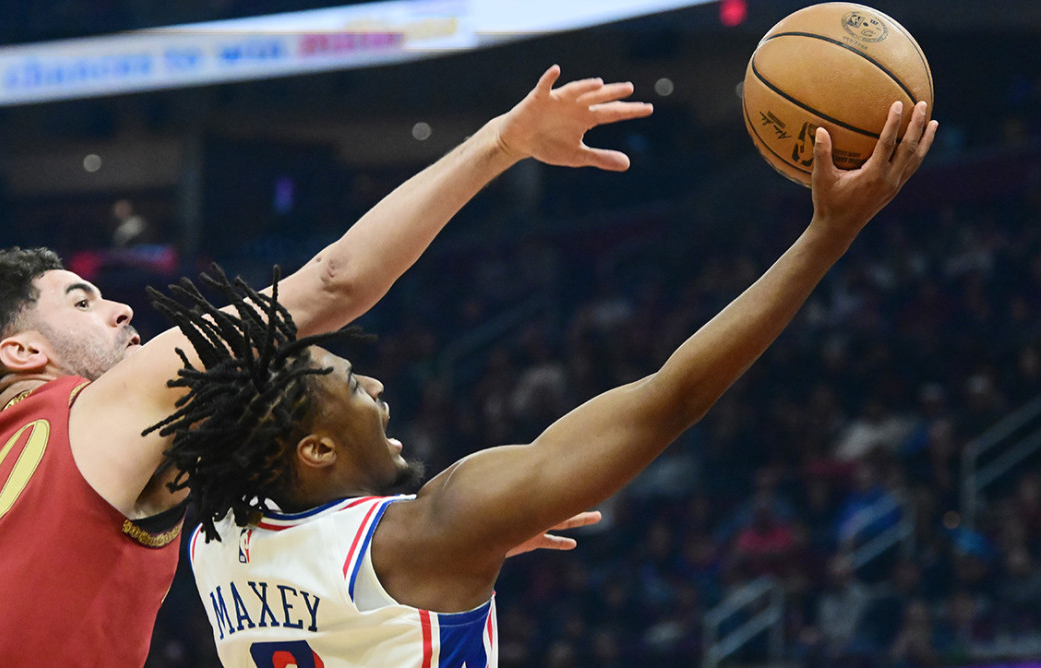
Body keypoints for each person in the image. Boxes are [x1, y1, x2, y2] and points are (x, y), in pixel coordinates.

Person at [0, 65, 651, 667]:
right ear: (23, 352)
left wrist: (448, 540)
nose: (119, 309)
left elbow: (266, 493)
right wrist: (501, 143)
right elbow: (335, 284)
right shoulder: (96, 411)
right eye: (82, 301)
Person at [156, 100, 938, 667]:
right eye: (354, 387)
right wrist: (827, 235)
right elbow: (671, 398)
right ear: (316, 450)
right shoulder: (432, 529)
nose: (379, 390)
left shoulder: (215, 539)